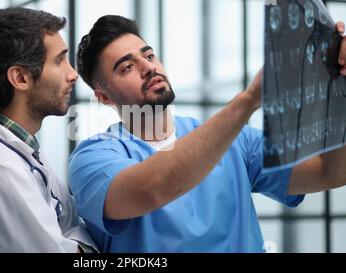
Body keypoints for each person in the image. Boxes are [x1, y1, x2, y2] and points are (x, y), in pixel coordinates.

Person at [68, 15, 346, 252]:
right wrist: (248, 100)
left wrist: (339, 85)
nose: (148, 67)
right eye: (128, 67)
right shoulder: (94, 158)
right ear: (104, 96)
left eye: (149, 55)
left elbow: (330, 172)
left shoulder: (237, 141)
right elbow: (152, 189)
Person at [0, 7, 96, 253]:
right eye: (59, 60)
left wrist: (73, 241)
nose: (73, 74)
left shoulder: (22, 153)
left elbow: (72, 228)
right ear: (21, 78)